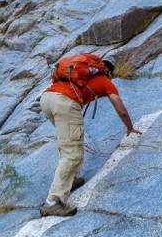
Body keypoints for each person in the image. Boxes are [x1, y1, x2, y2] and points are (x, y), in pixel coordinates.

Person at [39, 56, 141, 217]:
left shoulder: (78, 78)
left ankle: (70, 180)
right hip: (65, 103)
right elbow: (120, 109)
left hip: (47, 98)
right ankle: (52, 202)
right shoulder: (104, 80)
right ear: (108, 72)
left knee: (70, 146)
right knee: (72, 154)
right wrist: (130, 128)